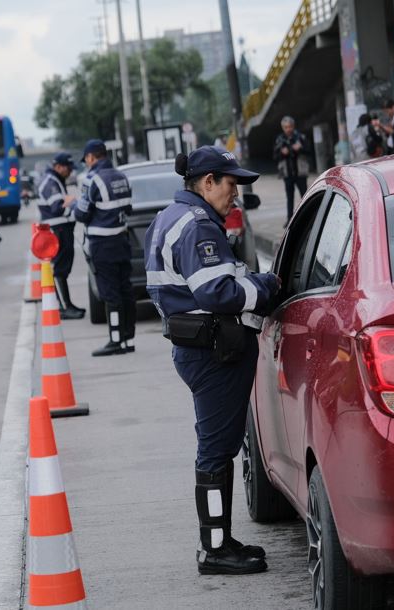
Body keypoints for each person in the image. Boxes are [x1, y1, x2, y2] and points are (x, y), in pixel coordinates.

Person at [144, 145, 281, 575]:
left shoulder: (174, 215)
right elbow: (216, 292)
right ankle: (215, 548)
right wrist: (268, 286)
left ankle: (219, 538)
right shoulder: (198, 225)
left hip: (199, 348)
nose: (235, 193)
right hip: (212, 353)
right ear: (207, 183)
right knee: (216, 452)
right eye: (230, 183)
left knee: (217, 448)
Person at [74, 139, 135, 356]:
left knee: (110, 294)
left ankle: (115, 340)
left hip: (102, 243)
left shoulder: (92, 179)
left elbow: (81, 213)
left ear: (91, 157)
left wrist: (73, 204)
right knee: (125, 289)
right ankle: (128, 339)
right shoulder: (122, 176)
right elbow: (128, 208)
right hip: (121, 240)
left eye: (87, 160)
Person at [38, 152, 85, 320]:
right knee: (59, 269)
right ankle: (64, 307)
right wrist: (72, 203)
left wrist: (69, 201)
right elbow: (57, 207)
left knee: (62, 269)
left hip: (62, 230)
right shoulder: (51, 183)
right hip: (57, 231)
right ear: (58, 166)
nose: (70, 171)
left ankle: (67, 305)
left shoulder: (55, 180)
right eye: (68, 168)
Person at [272, 115, 311, 224]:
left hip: (300, 172)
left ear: (293, 126)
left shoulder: (301, 137)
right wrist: (281, 152)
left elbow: (309, 151)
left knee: (305, 195)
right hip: (287, 173)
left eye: (290, 126)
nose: (288, 129)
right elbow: (275, 156)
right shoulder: (279, 139)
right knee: (289, 197)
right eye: (286, 127)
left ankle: (309, 216)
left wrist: (300, 148)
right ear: (282, 127)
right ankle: (290, 219)